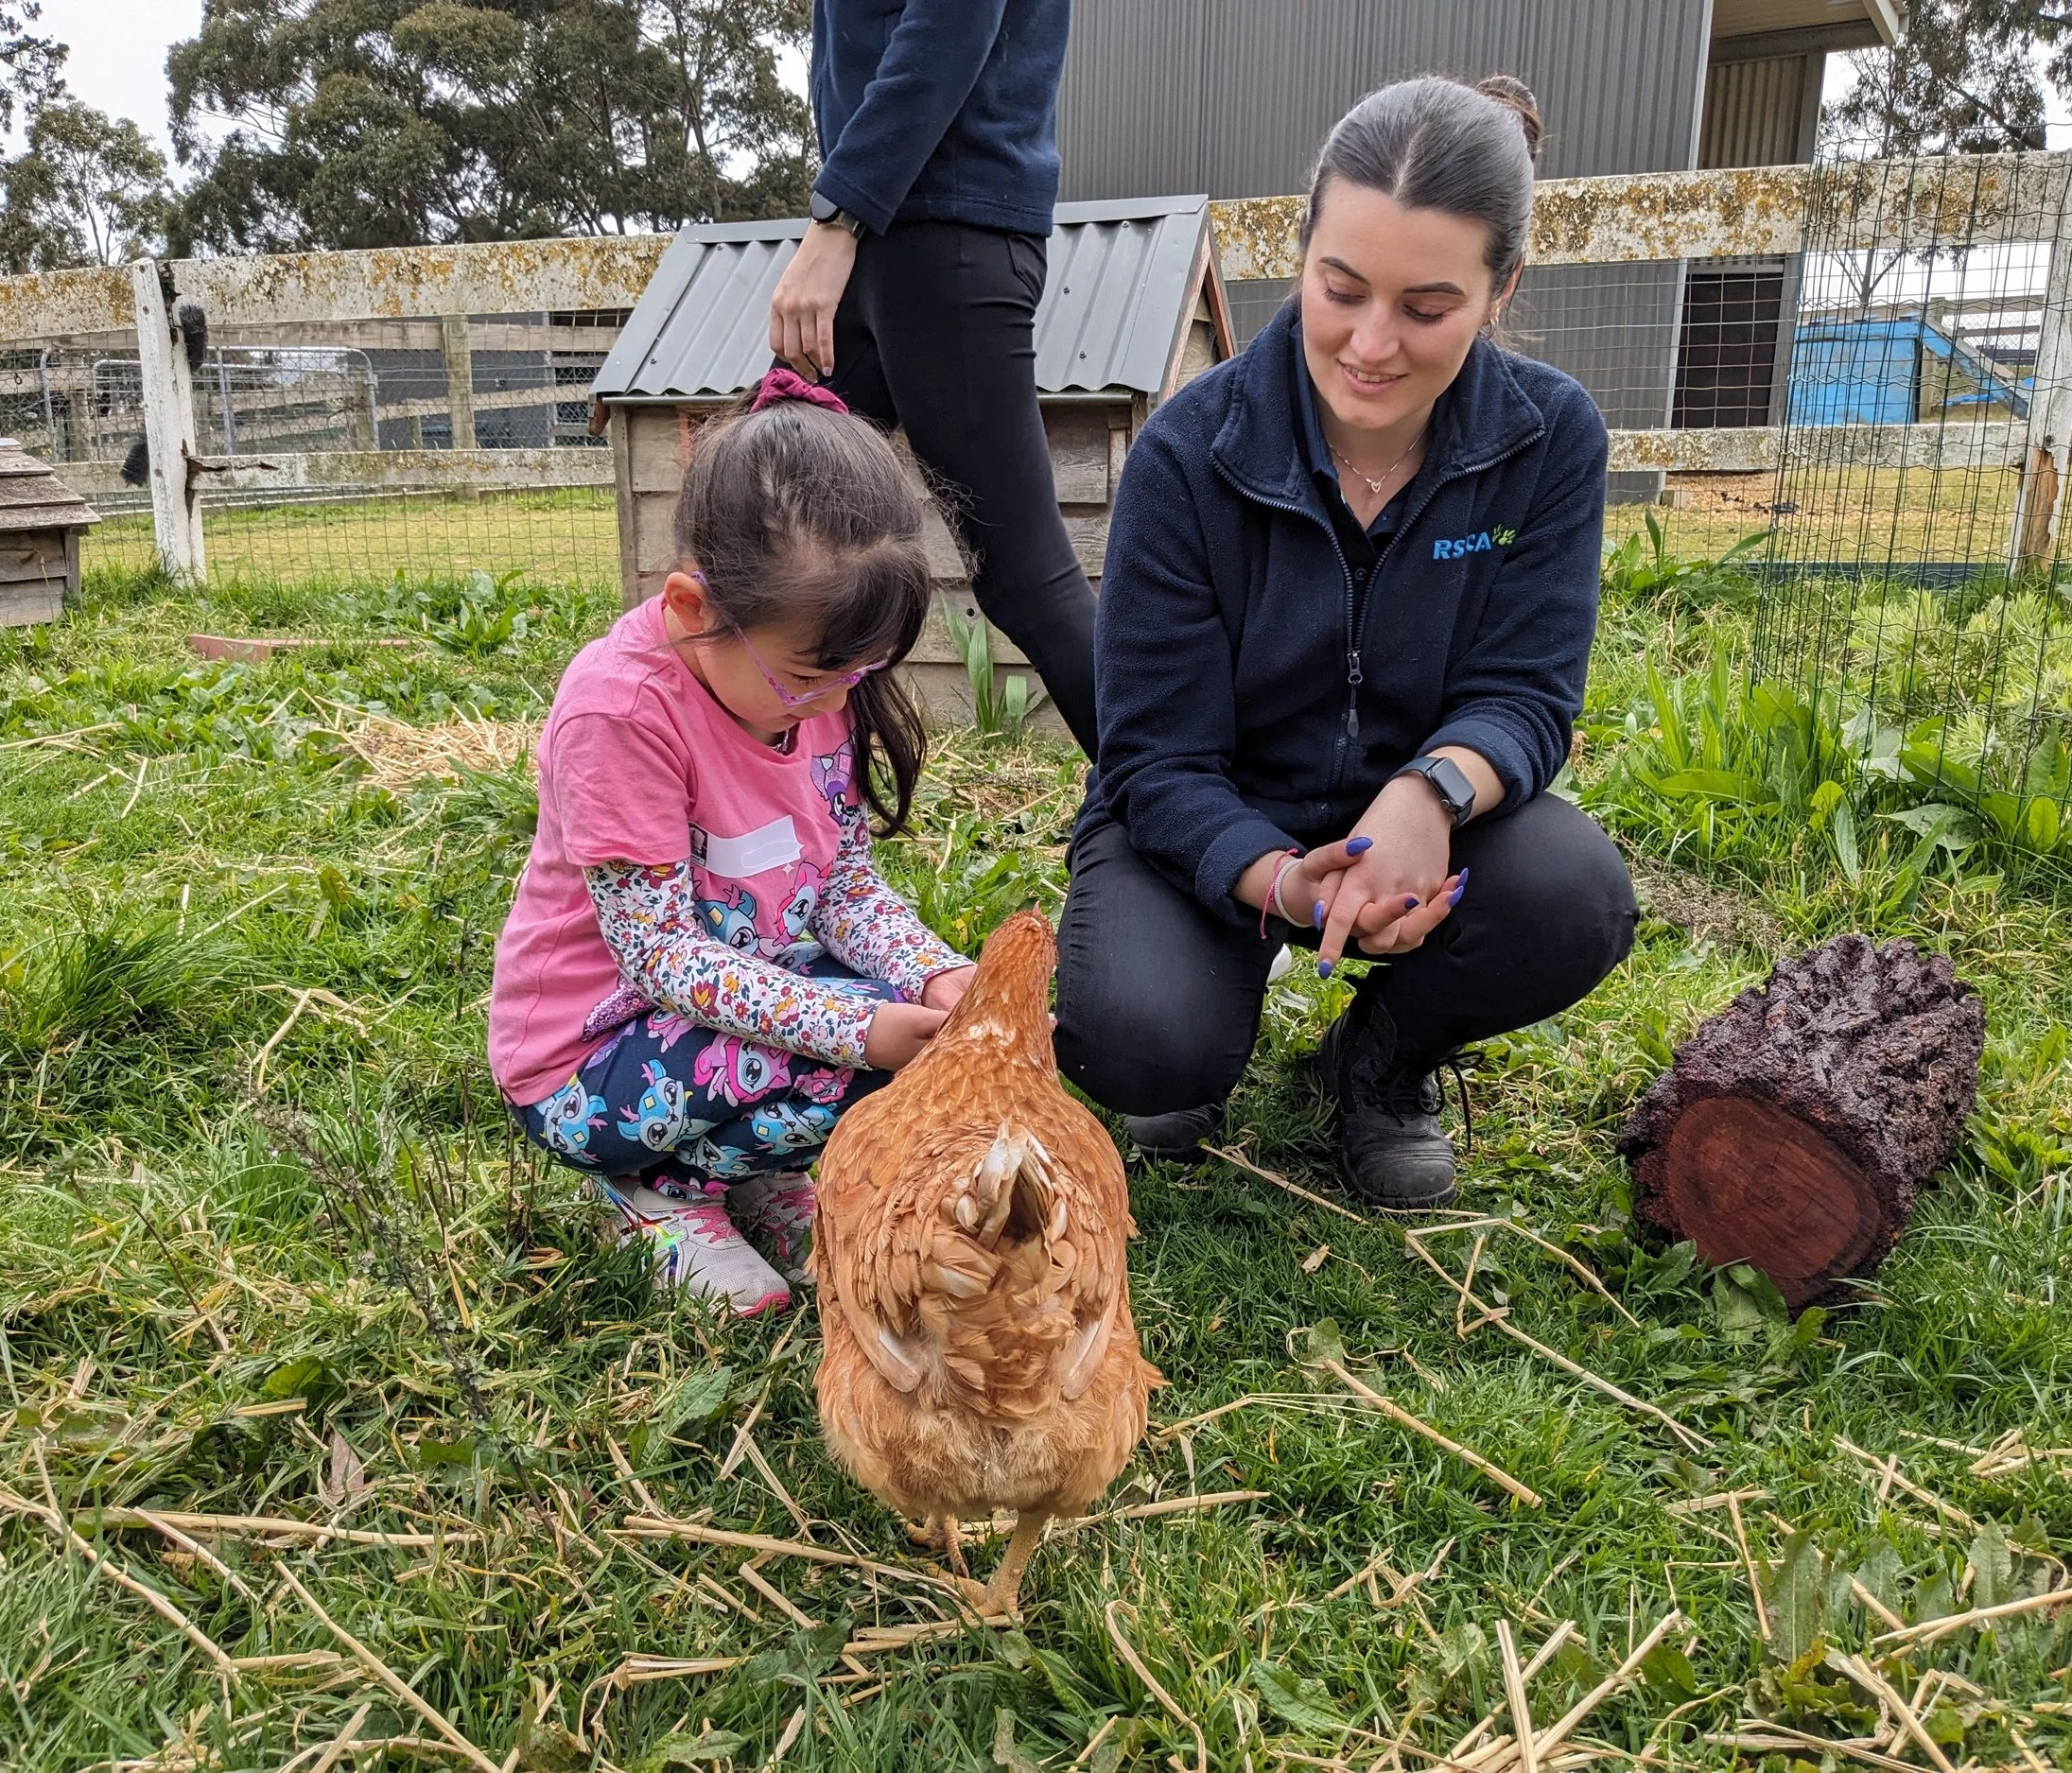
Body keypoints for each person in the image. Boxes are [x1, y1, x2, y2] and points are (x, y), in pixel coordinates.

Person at [1054, 76, 1639, 1210]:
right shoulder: (1186, 453)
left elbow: (1526, 694)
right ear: (1302, 251)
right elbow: (1154, 762)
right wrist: (1281, 880)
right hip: (1209, 824)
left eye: (1426, 308)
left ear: (1498, 288)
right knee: (1142, 1048)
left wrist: (1428, 799)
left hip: (1416, 829)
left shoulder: (1548, 438)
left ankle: (1377, 1067)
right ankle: (1208, 1007)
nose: (1372, 345)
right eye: (1341, 290)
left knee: (1574, 899)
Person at [488, 372, 976, 1317]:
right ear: (686, 608)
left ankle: (751, 1174)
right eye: (808, 677)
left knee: (894, 1040)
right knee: (861, 1054)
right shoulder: (620, 714)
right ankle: (659, 1192)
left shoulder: (812, 692)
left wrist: (937, 976)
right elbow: (659, 956)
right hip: (585, 1061)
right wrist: (856, 1026)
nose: (834, 705)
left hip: (722, 1016)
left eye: (861, 673)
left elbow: (842, 889)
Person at [766, 0, 1099, 753]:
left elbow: (950, 20)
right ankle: (758, 810)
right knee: (773, 528)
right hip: (886, 232)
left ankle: (1198, 819)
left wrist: (836, 215)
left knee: (1025, 578)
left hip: (939, 231)